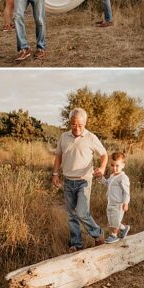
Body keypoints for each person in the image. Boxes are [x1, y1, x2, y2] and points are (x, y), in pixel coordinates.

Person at [52, 108, 108, 252]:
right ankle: (76, 244)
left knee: (82, 212)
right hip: (68, 181)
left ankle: (98, 234)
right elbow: (58, 156)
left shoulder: (91, 138)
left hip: (84, 181)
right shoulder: (64, 137)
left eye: (80, 125)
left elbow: (104, 155)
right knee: (71, 215)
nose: (76, 128)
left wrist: (101, 168)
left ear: (85, 123)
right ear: (69, 123)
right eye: (73, 124)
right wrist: (55, 174)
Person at [96, 151, 131, 243]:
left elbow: (126, 192)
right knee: (112, 220)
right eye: (112, 165)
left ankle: (114, 235)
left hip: (119, 203)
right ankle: (124, 228)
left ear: (123, 165)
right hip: (110, 202)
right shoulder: (112, 175)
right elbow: (107, 183)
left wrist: (126, 202)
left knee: (115, 220)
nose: (114, 168)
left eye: (117, 165)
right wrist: (101, 178)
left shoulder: (123, 178)